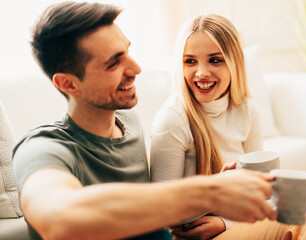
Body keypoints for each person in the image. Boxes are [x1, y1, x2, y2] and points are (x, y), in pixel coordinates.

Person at [12, 2, 282, 240]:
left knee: (305, 215)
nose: (136, 69)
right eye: (113, 63)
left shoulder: (130, 124)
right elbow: (59, 219)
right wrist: (209, 191)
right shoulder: (41, 149)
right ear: (69, 84)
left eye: (127, 52)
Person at [150, 14, 306, 239]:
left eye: (215, 60)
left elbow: (260, 193)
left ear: (234, 62)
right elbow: (162, 211)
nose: (201, 72)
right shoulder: (173, 121)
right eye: (190, 61)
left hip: (231, 226)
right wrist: (216, 190)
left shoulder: (247, 111)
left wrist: (225, 222)